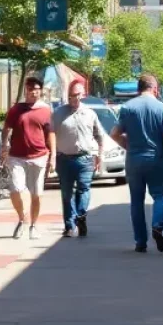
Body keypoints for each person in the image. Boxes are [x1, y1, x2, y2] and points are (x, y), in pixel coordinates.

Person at [111, 74, 163, 253]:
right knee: (160, 195)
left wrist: (128, 145)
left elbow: (115, 133)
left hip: (134, 160)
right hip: (156, 159)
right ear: (155, 88)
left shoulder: (127, 108)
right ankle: (157, 225)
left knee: (136, 201)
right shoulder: (161, 108)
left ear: (138, 89)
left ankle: (140, 241)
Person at [2, 77, 55, 239]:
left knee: (37, 194)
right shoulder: (16, 109)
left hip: (39, 156)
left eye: (37, 89)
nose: (34, 92)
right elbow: (6, 129)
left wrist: (53, 157)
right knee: (16, 189)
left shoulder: (46, 110)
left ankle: (33, 225)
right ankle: (22, 218)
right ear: (26, 89)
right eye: (31, 89)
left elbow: (51, 133)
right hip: (17, 156)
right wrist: (3, 145)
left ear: (41, 90)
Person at [51, 81, 106, 238]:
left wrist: (100, 155)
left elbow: (100, 136)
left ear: (82, 95)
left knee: (84, 189)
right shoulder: (58, 113)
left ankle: (81, 216)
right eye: (71, 95)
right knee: (67, 194)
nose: (73, 98)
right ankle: (69, 226)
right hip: (64, 159)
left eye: (76, 95)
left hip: (85, 158)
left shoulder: (90, 113)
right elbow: (51, 134)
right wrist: (53, 155)